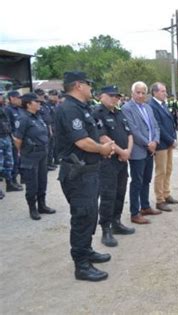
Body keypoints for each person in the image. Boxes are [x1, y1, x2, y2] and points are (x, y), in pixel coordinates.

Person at [55, 71, 114, 281]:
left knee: (90, 215)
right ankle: (81, 265)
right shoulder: (69, 108)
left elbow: (94, 134)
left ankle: (86, 250)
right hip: (77, 174)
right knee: (82, 217)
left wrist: (105, 145)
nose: (91, 87)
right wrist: (102, 149)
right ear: (78, 85)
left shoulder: (82, 107)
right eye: (89, 84)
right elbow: (82, 142)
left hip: (89, 171)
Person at [93, 86, 135, 247]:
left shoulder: (119, 112)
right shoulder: (97, 113)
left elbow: (129, 133)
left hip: (122, 160)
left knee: (120, 192)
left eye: (117, 96)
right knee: (108, 195)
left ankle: (116, 222)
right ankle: (106, 229)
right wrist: (121, 152)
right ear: (101, 96)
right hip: (108, 161)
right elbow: (102, 136)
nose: (115, 99)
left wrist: (128, 151)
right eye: (111, 96)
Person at [122, 82, 162, 225]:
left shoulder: (148, 107)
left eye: (143, 93)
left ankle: (145, 206)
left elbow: (156, 126)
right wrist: (147, 143)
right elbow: (133, 130)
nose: (140, 95)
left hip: (150, 150)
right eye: (137, 92)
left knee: (146, 180)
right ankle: (134, 212)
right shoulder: (127, 108)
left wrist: (155, 141)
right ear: (132, 93)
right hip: (138, 151)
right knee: (137, 182)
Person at [12, 93, 56, 220]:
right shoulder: (23, 118)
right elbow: (17, 139)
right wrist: (23, 152)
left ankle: (42, 205)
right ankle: (33, 208)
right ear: (28, 104)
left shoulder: (38, 117)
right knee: (32, 184)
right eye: (36, 101)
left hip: (42, 154)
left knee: (42, 181)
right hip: (30, 155)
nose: (39, 103)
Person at [149, 82, 178, 212]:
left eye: (165, 91)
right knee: (160, 171)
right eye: (163, 91)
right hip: (161, 143)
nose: (165, 93)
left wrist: (174, 138)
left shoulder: (163, 104)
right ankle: (160, 199)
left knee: (168, 169)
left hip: (168, 143)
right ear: (155, 92)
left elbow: (170, 123)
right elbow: (159, 127)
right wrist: (170, 139)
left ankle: (167, 194)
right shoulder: (152, 106)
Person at [4, 90, 25, 191]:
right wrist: (13, 139)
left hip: (20, 138)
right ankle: (11, 181)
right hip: (13, 139)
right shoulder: (8, 110)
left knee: (17, 161)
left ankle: (15, 180)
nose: (20, 99)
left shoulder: (19, 109)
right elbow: (9, 126)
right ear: (12, 98)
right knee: (12, 161)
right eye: (18, 98)